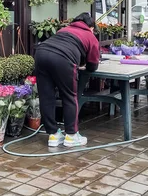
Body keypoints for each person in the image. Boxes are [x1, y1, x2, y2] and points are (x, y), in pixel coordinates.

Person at [34, 12, 100, 148]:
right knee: (70, 96)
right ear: (91, 27)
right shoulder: (90, 36)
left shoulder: (63, 30)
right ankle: (71, 135)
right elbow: (93, 65)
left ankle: (53, 135)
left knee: (46, 97)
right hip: (63, 59)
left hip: (41, 54)